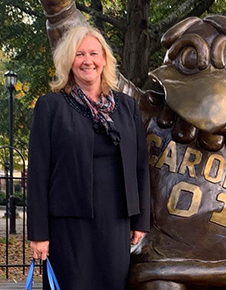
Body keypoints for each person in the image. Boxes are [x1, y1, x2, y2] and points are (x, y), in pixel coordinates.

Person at [26, 26, 150, 289]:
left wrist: (140, 220)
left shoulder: (127, 107)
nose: (87, 61)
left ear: (104, 59)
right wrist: (38, 234)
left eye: (94, 53)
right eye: (79, 54)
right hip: (68, 227)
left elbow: (140, 167)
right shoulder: (51, 106)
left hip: (115, 222)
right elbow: (38, 173)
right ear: (69, 61)